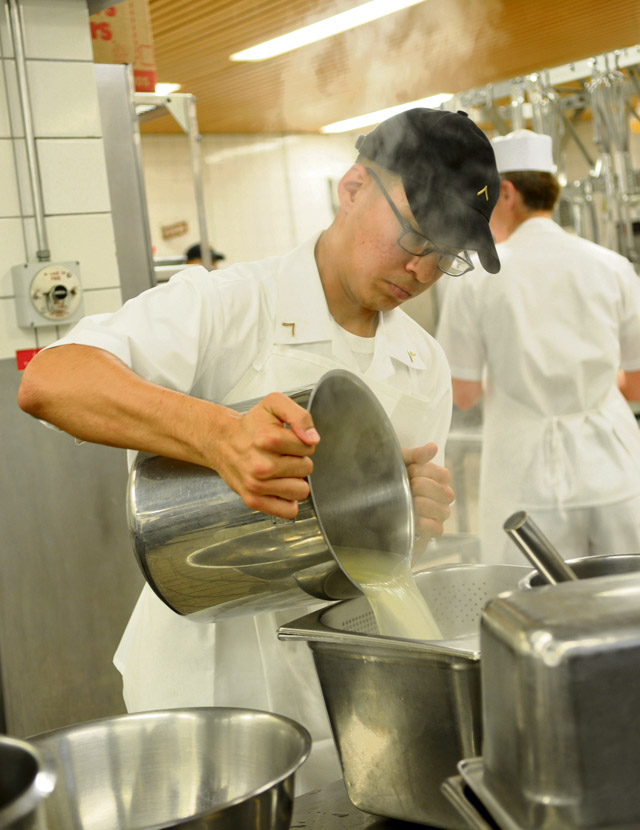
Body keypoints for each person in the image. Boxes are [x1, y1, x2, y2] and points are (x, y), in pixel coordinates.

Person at [17, 108, 500, 792]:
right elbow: (52, 381)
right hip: (209, 692)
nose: (421, 269)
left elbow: (380, 560)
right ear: (353, 187)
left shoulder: (422, 363)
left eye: (446, 255)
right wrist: (217, 435)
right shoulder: (227, 303)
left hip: (342, 695)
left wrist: (411, 522)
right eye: (415, 235)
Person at [436, 129, 640, 565]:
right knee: (629, 592)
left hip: (525, 481)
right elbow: (636, 384)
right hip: (616, 471)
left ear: (508, 193)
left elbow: (463, 393)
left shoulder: (478, 277)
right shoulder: (614, 267)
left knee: (535, 599)